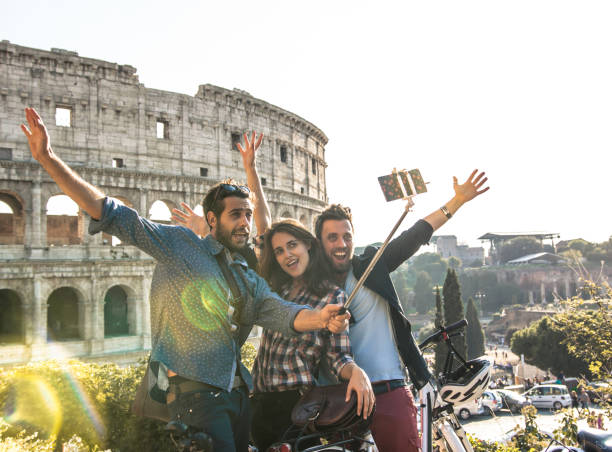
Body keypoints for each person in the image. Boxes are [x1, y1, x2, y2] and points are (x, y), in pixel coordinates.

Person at [20, 108, 349, 452]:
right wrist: (48, 158)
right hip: (195, 395)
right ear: (212, 219)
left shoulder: (245, 275)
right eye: (236, 214)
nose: (244, 223)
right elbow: (113, 213)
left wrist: (321, 318)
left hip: (237, 394)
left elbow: (282, 312)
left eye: (248, 215)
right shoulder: (181, 245)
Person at [314, 170, 489, 452]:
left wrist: (457, 201)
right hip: (341, 399)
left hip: (389, 390)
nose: (341, 244)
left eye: (347, 236)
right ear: (319, 242)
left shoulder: (371, 264)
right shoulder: (312, 285)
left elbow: (416, 234)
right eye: (332, 237)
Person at [250, 219, 375, 451]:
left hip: (295, 406)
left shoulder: (332, 296)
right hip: (259, 404)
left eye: (292, 245)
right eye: (279, 251)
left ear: (308, 244)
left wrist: (356, 372)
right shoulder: (277, 291)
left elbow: (339, 356)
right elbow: (260, 224)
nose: (287, 255)